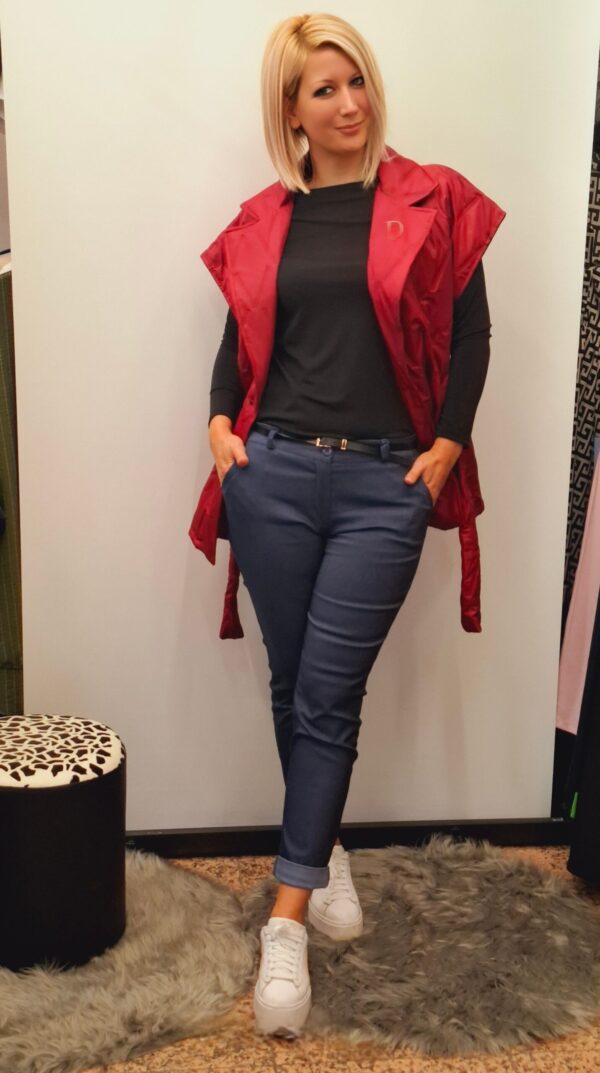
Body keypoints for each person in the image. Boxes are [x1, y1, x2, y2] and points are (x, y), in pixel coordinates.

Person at [189, 12, 506, 1039]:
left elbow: (471, 333)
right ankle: (322, 852)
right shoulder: (265, 220)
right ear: (291, 111)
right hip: (272, 473)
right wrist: (219, 427)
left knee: (329, 691)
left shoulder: (432, 198)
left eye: (356, 80)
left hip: (382, 484)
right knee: (295, 683)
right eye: (323, 89)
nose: (349, 102)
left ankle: (284, 922)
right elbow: (241, 341)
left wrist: (445, 446)